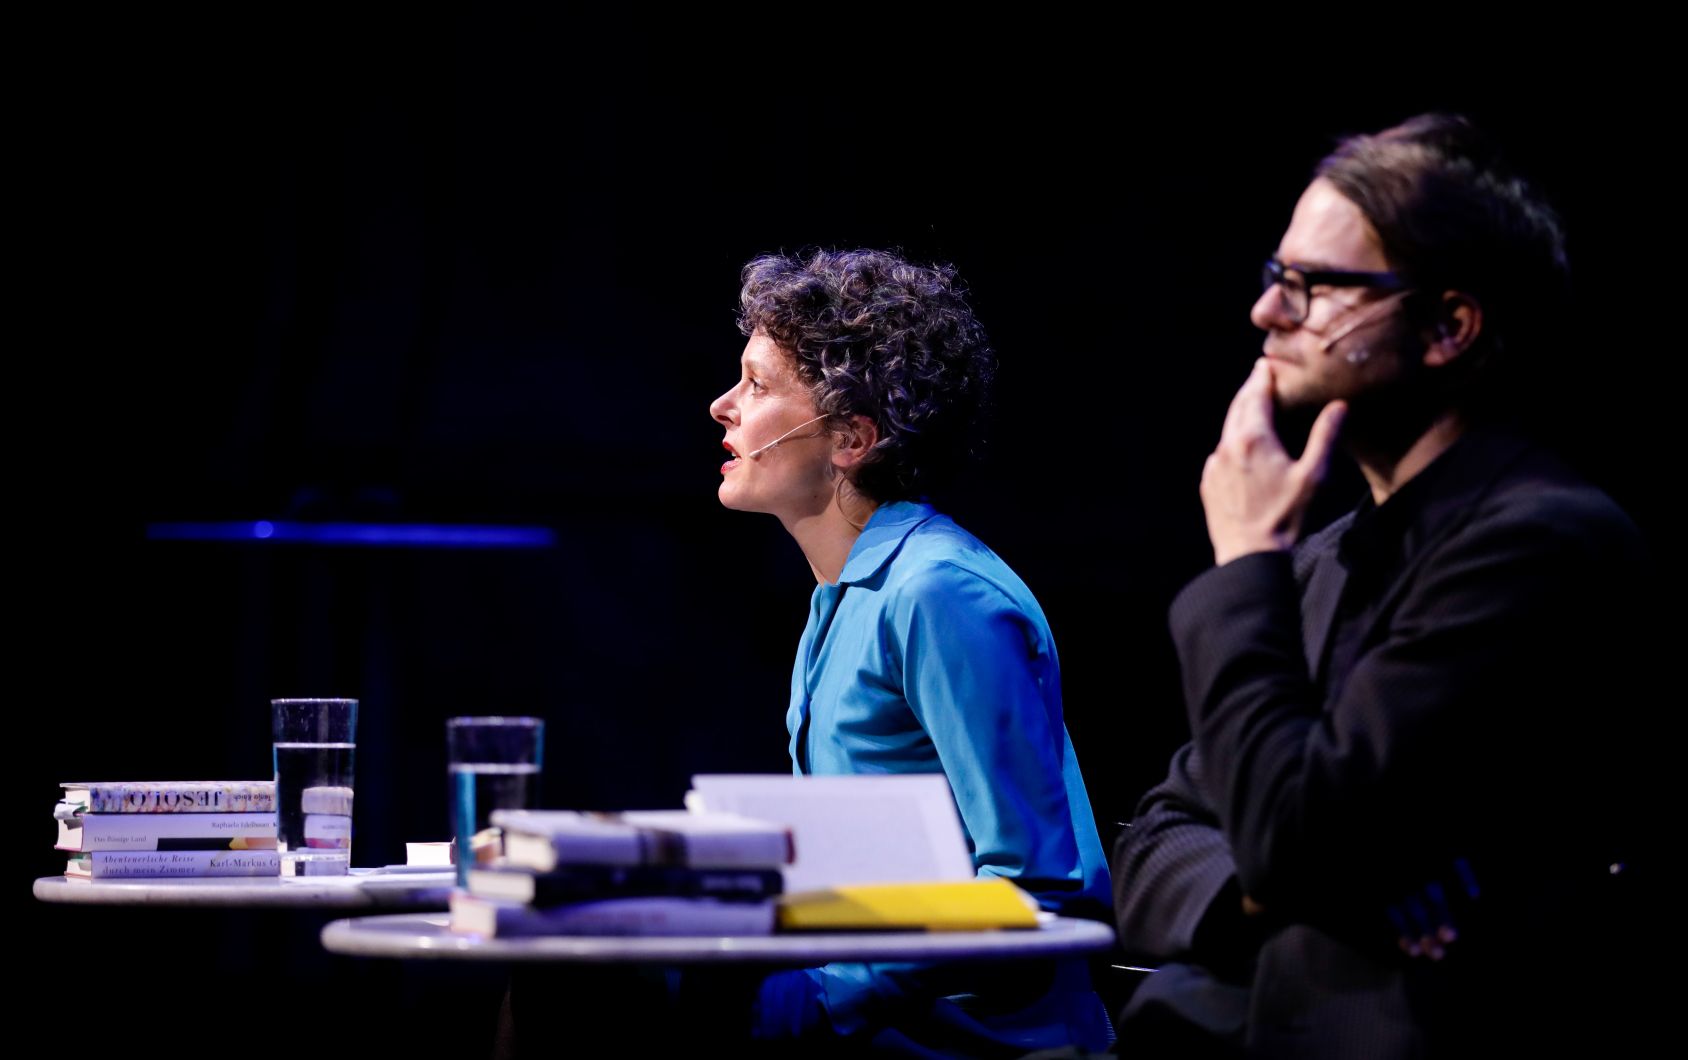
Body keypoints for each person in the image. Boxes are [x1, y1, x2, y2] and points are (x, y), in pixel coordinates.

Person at [1111, 114, 1653, 1057]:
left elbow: (1294, 837)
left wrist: (1246, 560)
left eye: (1314, 286)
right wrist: (1267, 893)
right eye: (1276, 277)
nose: (1267, 313)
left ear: (1448, 326)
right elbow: (1156, 838)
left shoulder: (1540, 544)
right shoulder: (1324, 558)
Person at [706, 248, 1113, 1054]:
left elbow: (1040, 885)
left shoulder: (939, 593)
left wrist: (827, 997)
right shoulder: (843, 595)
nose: (723, 406)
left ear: (851, 438)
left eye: (756, 385)